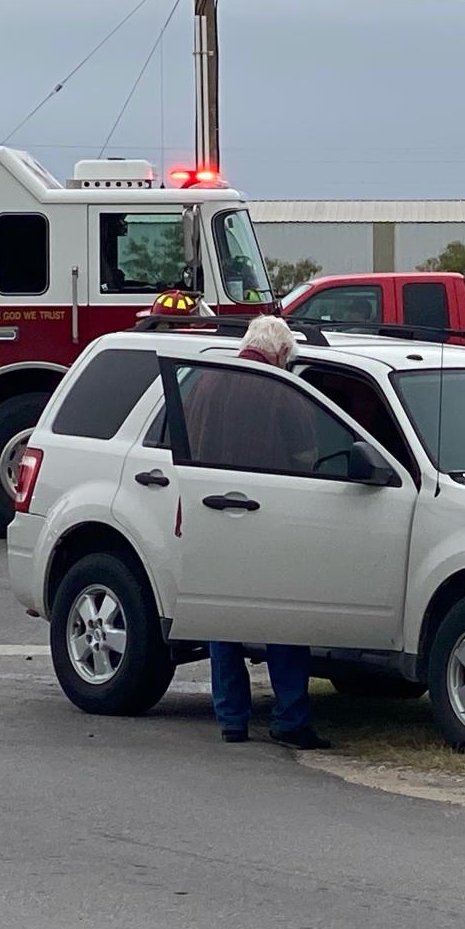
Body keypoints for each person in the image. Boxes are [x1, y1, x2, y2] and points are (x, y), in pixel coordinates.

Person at [189, 315, 332, 750]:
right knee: (284, 619)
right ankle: (290, 717)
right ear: (282, 354)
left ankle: (231, 718)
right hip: (271, 518)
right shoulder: (280, 391)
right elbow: (307, 455)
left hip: (211, 513)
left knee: (223, 619)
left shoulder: (204, 384)